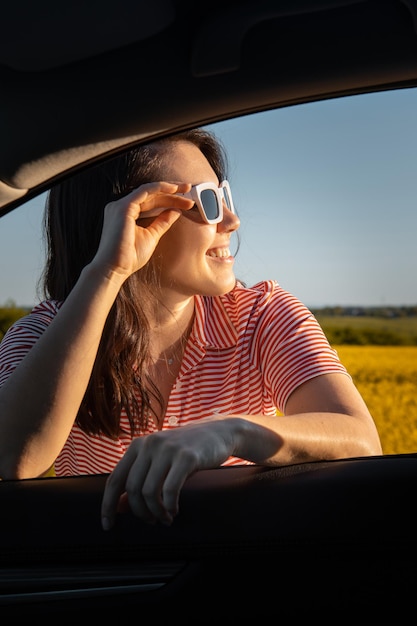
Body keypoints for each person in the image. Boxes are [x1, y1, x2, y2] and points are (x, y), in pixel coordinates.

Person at [0, 128, 382, 529]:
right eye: (207, 202)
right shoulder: (43, 334)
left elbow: (361, 440)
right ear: (127, 218)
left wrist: (230, 433)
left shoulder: (263, 316)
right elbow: (16, 458)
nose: (232, 221)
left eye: (224, 196)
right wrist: (107, 270)